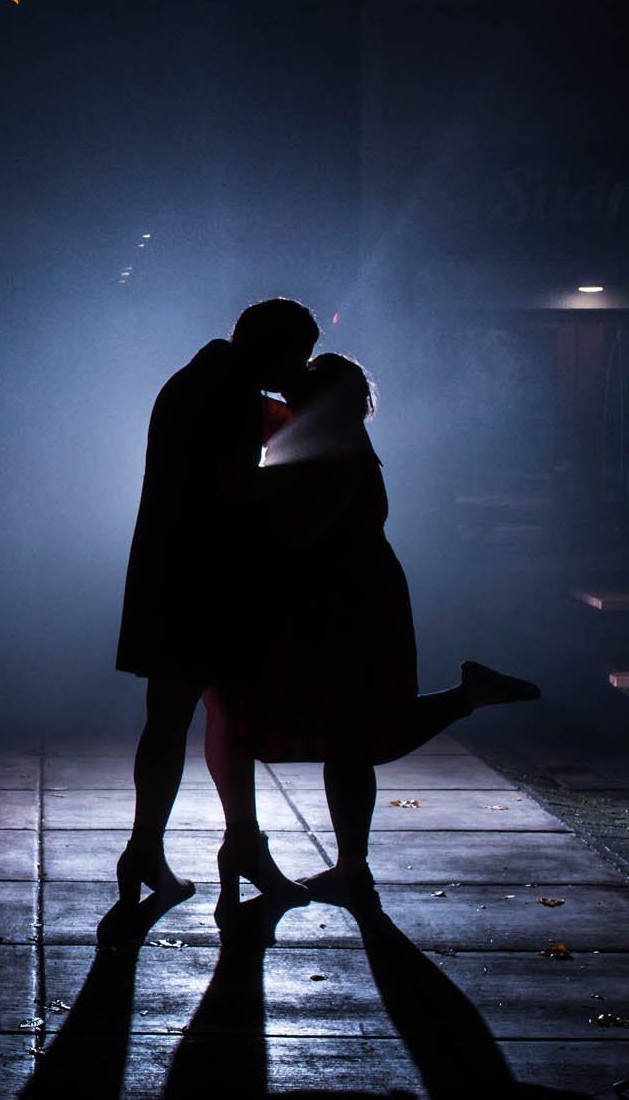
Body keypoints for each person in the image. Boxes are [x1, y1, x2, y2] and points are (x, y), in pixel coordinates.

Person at [217, 353, 541, 911]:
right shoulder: (336, 441)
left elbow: (304, 533)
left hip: (350, 604)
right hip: (353, 597)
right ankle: (352, 869)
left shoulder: (335, 451)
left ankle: (467, 698)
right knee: (353, 736)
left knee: (363, 731)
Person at [114, 298, 319, 907]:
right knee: (233, 720)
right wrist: (308, 467)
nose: (298, 372)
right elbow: (236, 485)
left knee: (170, 719)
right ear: (276, 349)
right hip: (210, 579)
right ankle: (236, 847)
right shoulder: (230, 391)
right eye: (298, 358)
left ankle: (148, 851)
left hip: (169, 570)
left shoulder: (194, 379)